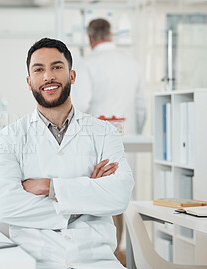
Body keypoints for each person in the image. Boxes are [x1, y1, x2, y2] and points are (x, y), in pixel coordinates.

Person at [0, 38, 134, 269]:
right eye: (39, 70)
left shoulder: (104, 132)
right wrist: (87, 195)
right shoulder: (11, 136)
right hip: (35, 261)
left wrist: (49, 187)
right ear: (29, 81)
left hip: (97, 261)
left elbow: (120, 195)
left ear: (72, 75)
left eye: (57, 67)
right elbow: (5, 207)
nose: (48, 77)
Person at [71, 18, 146, 263]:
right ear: (111, 34)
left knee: (100, 194)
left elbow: (81, 105)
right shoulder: (132, 64)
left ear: (90, 38)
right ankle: (127, 255)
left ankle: (107, 255)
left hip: (97, 139)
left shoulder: (88, 64)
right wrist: (132, 132)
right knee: (124, 195)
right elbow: (141, 108)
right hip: (128, 137)